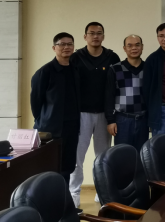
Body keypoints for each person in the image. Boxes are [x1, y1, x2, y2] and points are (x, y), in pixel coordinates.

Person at [70, 22, 120, 207]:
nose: (95, 36)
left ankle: (102, 194)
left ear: (103, 36)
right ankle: (74, 196)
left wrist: (112, 116)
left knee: (103, 158)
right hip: (81, 114)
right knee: (77, 158)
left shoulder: (112, 57)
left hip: (104, 115)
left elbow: (116, 87)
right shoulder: (76, 57)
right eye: (92, 33)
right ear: (85, 37)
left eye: (99, 33)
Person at [30, 33, 80, 186]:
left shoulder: (76, 69)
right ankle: (49, 198)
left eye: (69, 44)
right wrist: (43, 120)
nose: (66, 47)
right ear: (54, 48)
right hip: (51, 128)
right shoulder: (44, 72)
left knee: (67, 166)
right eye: (62, 44)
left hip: (71, 126)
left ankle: (64, 198)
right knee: (49, 167)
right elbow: (35, 101)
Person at [105, 35, 148, 152]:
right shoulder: (115, 69)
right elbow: (109, 96)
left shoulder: (148, 68)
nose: (134, 48)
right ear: (124, 48)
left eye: (137, 45)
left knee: (142, 156)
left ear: (142, 47)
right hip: (122, 120)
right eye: (130, 45)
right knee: (122, 156)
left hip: (143, 120)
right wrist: (111, 121)